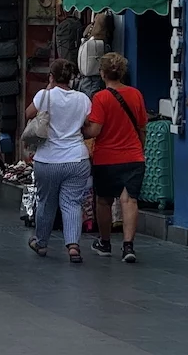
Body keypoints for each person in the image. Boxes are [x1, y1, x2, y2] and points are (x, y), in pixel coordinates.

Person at [25, 59, 92, 263]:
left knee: (46, 202)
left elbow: (29, 114)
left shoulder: (44, 96)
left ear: (51, 76)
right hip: (77, 158)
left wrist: (48, 88)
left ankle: (41, 242)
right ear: (71, 78)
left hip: (47, 159)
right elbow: (87, 124)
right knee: (72, 203)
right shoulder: (83, 99)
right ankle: (73, 246)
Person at [83, 52, 147, 263]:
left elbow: (95, 130)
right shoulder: (136, 94)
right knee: (129, 200)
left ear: (102, 73)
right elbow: (142, 127)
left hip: (106, 158)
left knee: (104, 201)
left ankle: (105, 242)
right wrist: (141, 149)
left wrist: (80, 130)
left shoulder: (100, 97)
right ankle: (128, 246)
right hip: (133, 156)